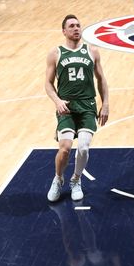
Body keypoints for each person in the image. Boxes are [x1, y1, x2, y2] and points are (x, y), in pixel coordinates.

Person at [45, 14, 110, 202]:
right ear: (64, 31)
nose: (76, 28)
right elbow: (48, 84)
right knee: (64, 148)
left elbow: (101, 80)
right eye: (71, 26)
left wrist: (105, 104)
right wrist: (57, 101)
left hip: (87, 105)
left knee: (83, 148)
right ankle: (58, 179)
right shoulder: (55, 53)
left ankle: (76, 179)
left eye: (78, 25)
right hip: (66, 106)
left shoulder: (92, 51)